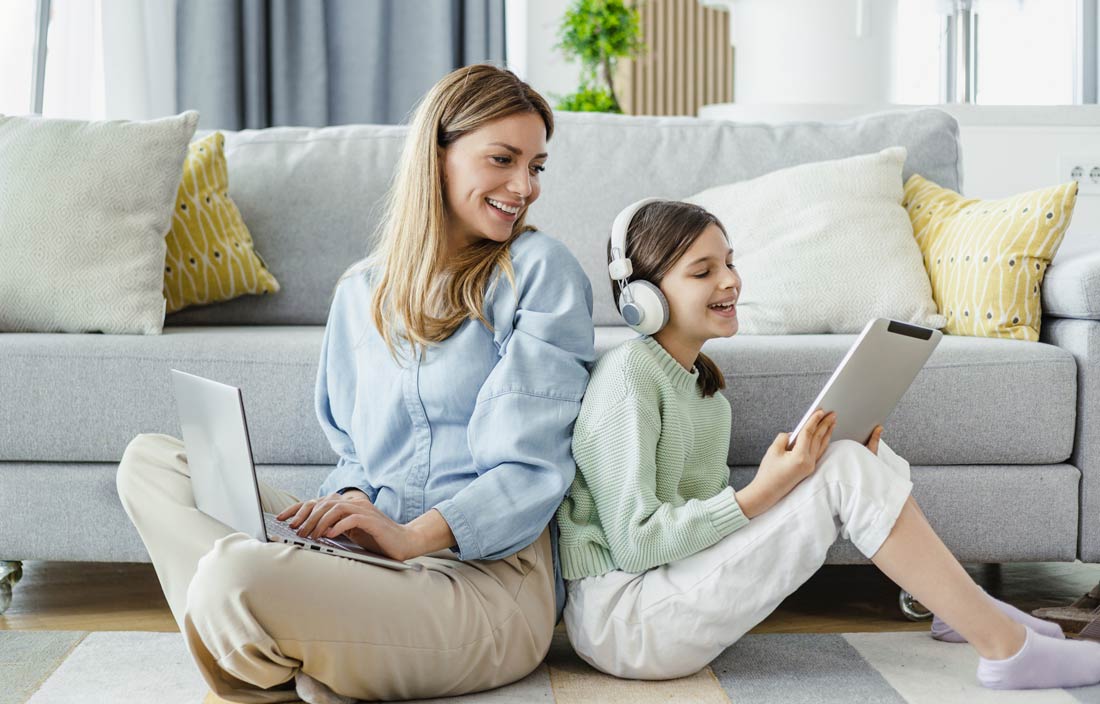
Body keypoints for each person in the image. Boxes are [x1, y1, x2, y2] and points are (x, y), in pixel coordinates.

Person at [117, 64, 595, 704]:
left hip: (480, 586)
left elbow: (528, 470)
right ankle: (309, 647)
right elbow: (355, 454)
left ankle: (279, 652)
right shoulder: (361, 291)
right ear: (437, 157)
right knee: (151, 464)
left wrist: (409, 538)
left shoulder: (540, 273)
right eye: (503, 159)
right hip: (370, 565)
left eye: (536, 166)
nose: (524, 186)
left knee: (232, 575)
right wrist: (340, 513)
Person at [555, 198, 1100, 690]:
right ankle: (1005, 649)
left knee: (851, 455)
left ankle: (966, 608)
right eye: (703, 271)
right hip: (624, 621)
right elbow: (636, 543)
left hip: (665, 593)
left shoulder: (704, 391)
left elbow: (698, 533)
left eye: (729, 263)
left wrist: (786, 480)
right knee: (840, 468)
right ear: (643, 298)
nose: (730, 282)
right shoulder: (629, 376)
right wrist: (763, 493)